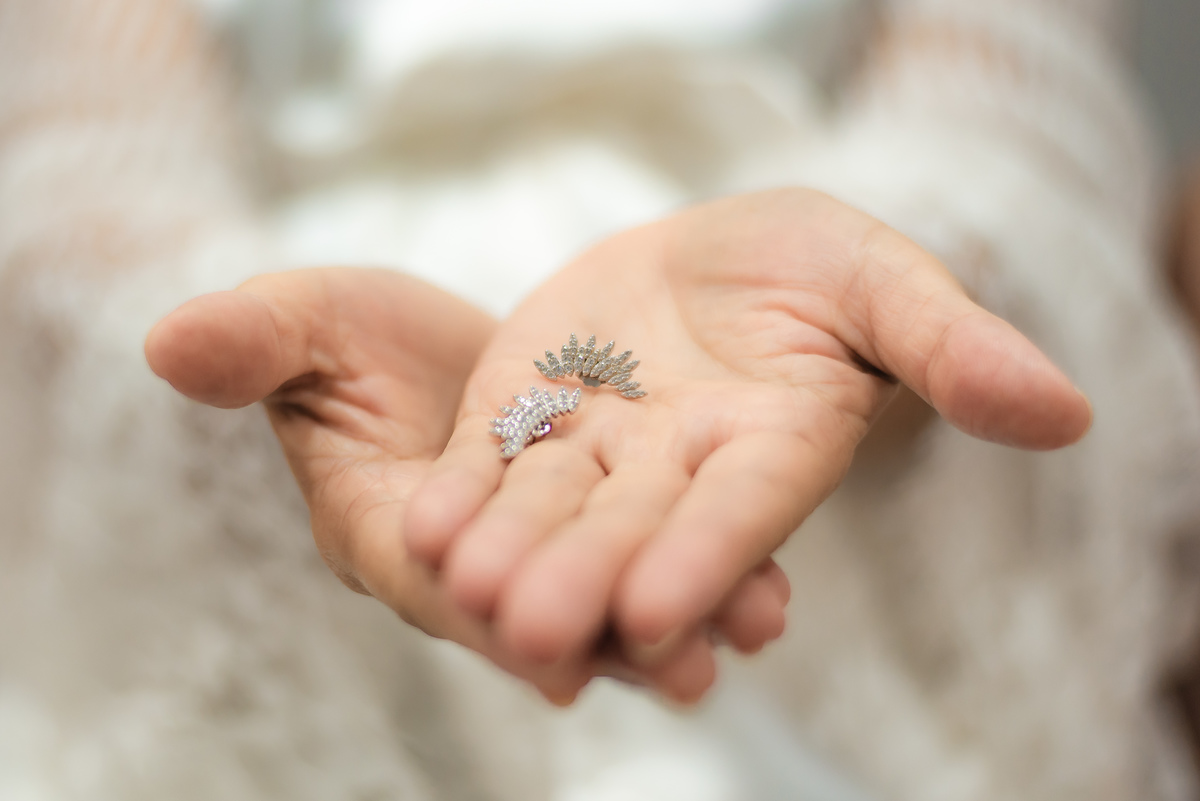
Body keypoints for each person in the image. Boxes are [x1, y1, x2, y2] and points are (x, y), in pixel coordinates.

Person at [5, 0, 1200, 798]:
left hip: (809, 452)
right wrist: (253, 344)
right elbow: (78, 165)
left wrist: (888, 278)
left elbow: (1015, 117)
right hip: (309, 401)